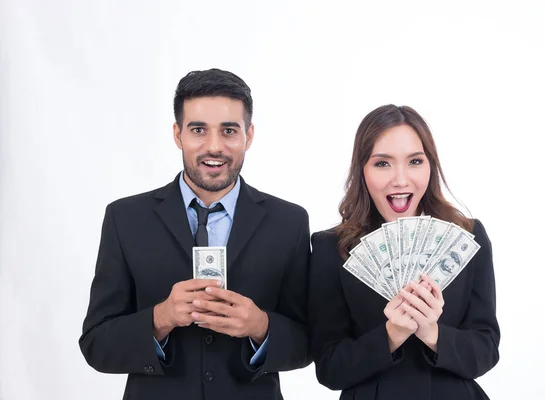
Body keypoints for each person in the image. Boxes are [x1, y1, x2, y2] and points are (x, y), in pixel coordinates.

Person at [79, 68, 311, 400]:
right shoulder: (126, 218)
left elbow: (309, 342)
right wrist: (160, 318)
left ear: (249, 135)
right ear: (178, 134)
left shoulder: (288, 222)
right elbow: (95, 344)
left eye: (229, 130)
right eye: (198, 130)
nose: (213, 146)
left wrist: (261, 326)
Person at [308, 104, 500, 399]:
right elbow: (330, 368)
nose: (400, 179)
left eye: (414, 161)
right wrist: (391, 334)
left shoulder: (467, 236)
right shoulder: (331, 248)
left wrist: (432, 334)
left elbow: (486, 351)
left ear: (430, 166)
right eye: (382, 163)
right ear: (362, 170)